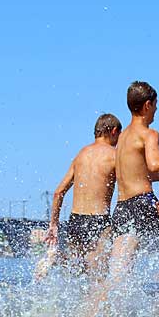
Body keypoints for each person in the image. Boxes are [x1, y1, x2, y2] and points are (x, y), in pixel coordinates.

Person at [87, 81, 159, 317]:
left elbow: (147, 174)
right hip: (144, 206)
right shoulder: (149, 134)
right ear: (148, 105)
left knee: (117, 277)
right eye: (156, 105)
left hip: (122, 209)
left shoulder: (122, 139)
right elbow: (155, 165)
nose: (157, 111)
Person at [39, 114, 122, 279]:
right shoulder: (114, 155)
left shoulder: (81, 155)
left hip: (75, 220)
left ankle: (57, 258)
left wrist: (54, 225)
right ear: (114, 131)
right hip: (98, 220)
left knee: (78, 269)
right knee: (99, 277)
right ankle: (59, 259)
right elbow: (130, 183)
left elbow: (58, 192)